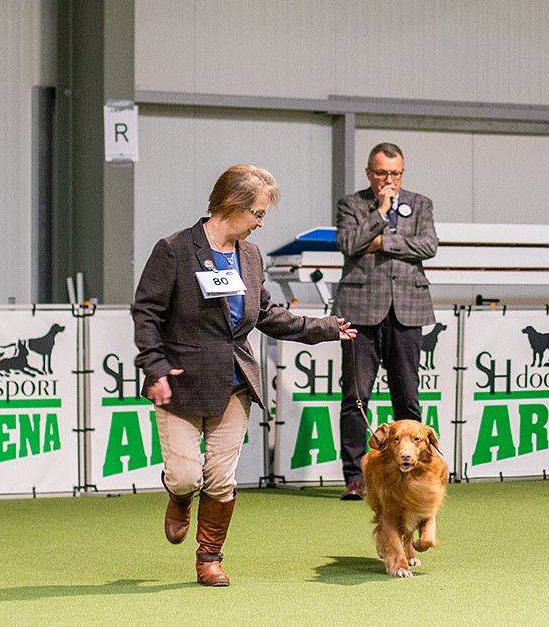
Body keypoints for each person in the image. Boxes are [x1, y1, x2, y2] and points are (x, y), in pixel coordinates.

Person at [133, 164, 356, 587]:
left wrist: (324, 328)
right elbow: (147, 313)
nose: (260, 222)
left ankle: (209, 559)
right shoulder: (174, 249)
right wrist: (155, 366)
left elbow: (267, 314)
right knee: (185, 475)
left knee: (220, 476)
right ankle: (179, 498)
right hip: (181, 380)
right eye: (257, 213)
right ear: (232, 206)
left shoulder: (250, 257)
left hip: (235, 380)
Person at [333, 142, 438, 500]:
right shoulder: (351, 204)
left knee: (407, 398)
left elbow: (428, 246)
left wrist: (380, 241)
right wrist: (380, 211)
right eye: (381, 173)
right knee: (356, 396)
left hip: (408, 309)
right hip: (360, 310)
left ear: (402, 173)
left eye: (394, 174)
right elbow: (348, 243)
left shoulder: (421, 203)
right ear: (369, 173)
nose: (388, 180)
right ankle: (356, 476)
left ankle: (412, 469)